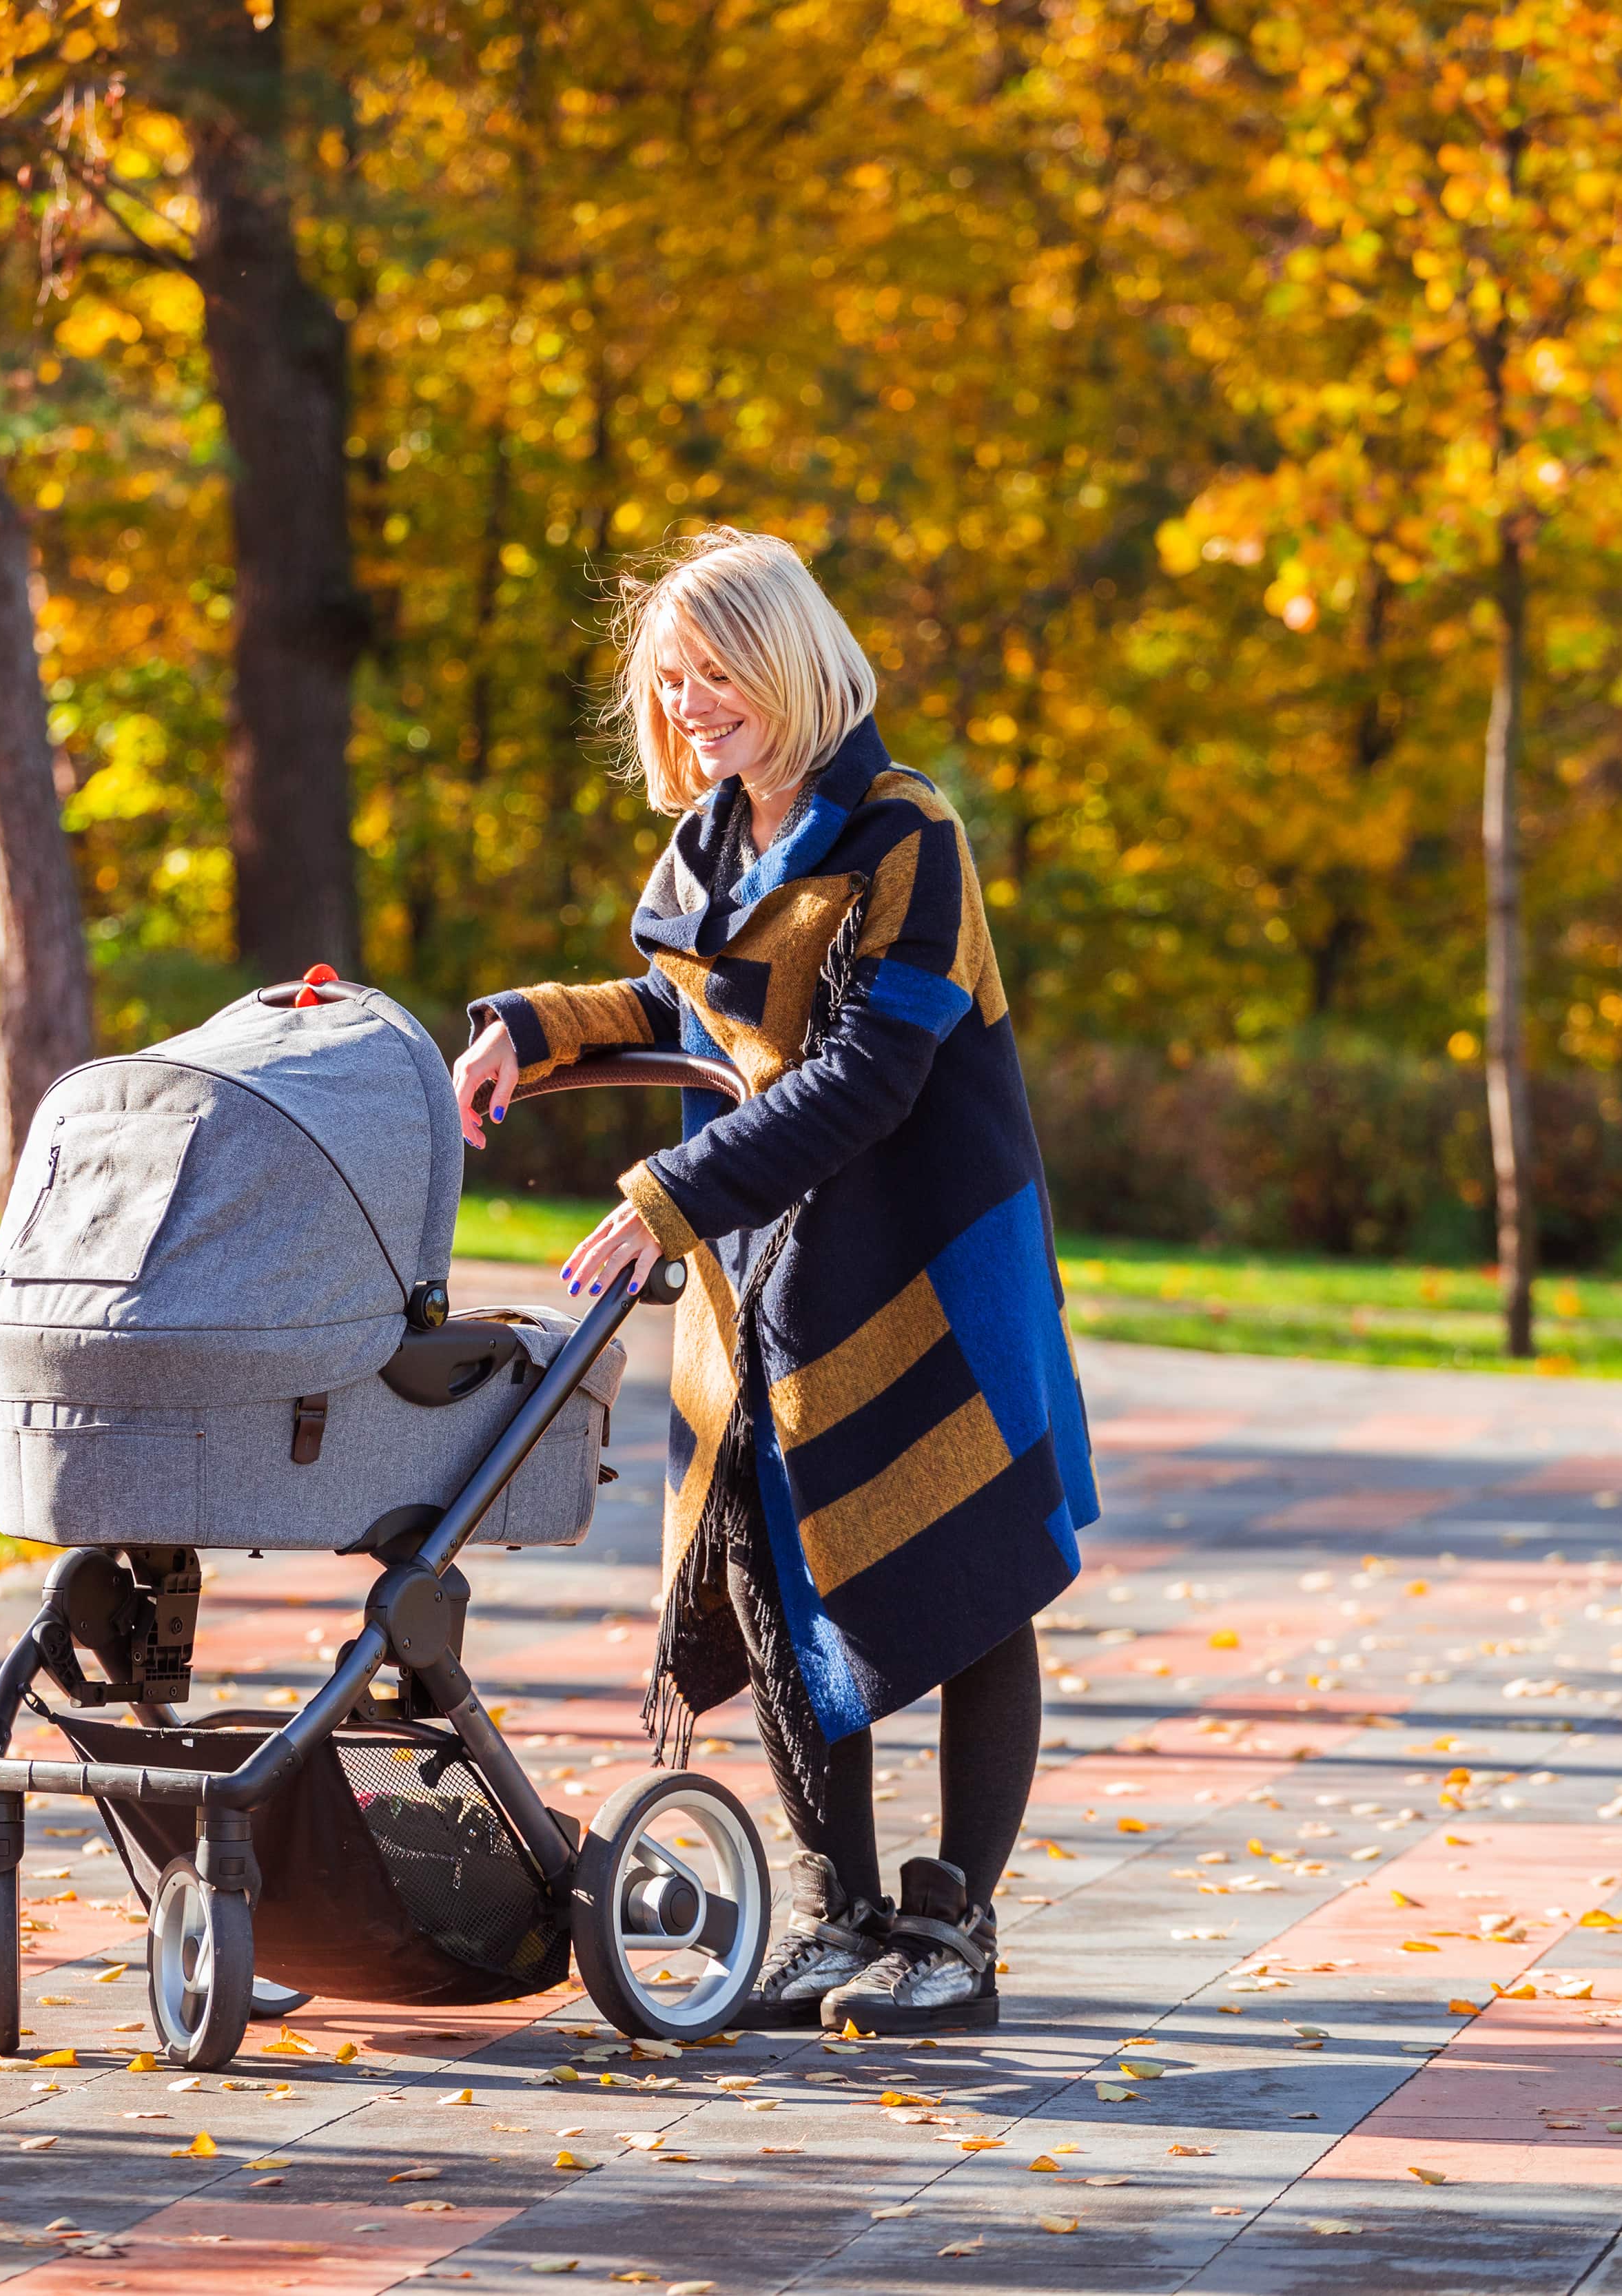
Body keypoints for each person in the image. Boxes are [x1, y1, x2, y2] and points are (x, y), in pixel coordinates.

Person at [451, 529, 1098, 2036]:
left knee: (972, 1576)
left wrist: (666, 1195)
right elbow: (676, 1007)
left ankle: (956, 1932)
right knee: (775, 1572)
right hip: (768, 1280)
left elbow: (869, 1073)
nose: (689, 704)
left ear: (790, 660)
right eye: (669, 682)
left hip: (928, 1268)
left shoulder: (902, 833)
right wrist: (524, 1030)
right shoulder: (710, 843)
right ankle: (838, 1912)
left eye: (714, 672)